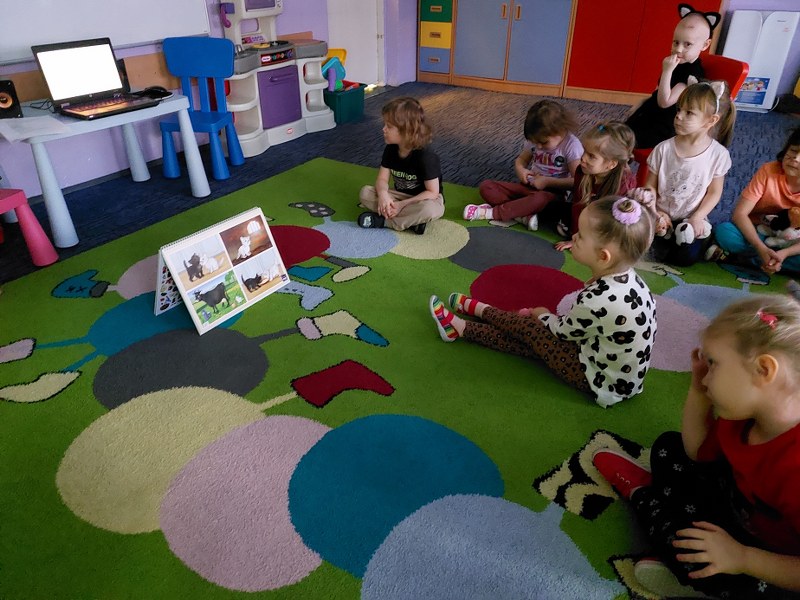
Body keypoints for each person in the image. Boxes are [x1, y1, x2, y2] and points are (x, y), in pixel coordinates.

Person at [593, 295, 800, 599]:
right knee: (668, 447)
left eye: (714, 364)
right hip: (741, 509)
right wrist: (699, 391)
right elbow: (697, 452)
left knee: (705, 564)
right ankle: (659, 511)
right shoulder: (745, 414)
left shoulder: (794, 467)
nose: (708, 374)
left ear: (764, 370)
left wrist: (742, 558)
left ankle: (644, 498)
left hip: (776, 561)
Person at [430, 194, 657, 408]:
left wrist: (542, 314)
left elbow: (562, 332)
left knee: (531, 330)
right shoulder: (632, 282)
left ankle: (473, 318)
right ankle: (467, 322)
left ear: (603, 256)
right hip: (621, 376)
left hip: (598, 378)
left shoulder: (598, 298)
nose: (574, 237)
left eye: (580, 236)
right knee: (533, 341)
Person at [645, 79, 735, 266]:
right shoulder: (663, 149)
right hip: (660, 216)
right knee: (648, 251)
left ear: (711, 120)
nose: (678, 116)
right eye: (679, 110)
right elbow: (650, 186)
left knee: (684, 259)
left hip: (691, 218)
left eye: (689, 113)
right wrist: (655, 212)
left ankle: (705, 240)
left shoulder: (718, 155)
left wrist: (697, 217)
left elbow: (714, 192)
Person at [463, 99, 582, 232]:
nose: (538, 146)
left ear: (560, 130)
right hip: (528, 187)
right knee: (487, 186)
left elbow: (577, 181)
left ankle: (493, 213)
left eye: (543, 142)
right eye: (535, 142)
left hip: (552, 194)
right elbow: (522, 160)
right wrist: (520, 169)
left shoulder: (571, 146)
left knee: (540, 199)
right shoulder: (537, 139)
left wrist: (547, 182)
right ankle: (521, 214)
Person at [626, 4, 720, 149]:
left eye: (687, 44)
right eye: (676, 42)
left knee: (621, 140)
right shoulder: (677, 63)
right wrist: (643, 102)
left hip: (664, 126)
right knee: (619, 131)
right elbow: (658, 91)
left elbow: (665, 102)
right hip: (651, 114)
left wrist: (667, 71)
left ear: (705, 45)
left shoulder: (692, 73)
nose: (678, 49)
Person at [708, 126, 800, 274]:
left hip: (791, 242)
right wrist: (760, 247)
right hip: (757, 232)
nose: (795, 158)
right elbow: (740, 214)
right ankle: (769, 261)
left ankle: (745, 259)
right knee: (724, 231)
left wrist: (785, 253)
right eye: (793, 151)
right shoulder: (768, 171)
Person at [357, 97, 444, 235]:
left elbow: (432, 192)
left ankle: (385, 222)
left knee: (430, 210)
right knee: (365, 193)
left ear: (406, 131)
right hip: (398, 196)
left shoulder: (426, 156)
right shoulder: (391, 149)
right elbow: (382, 180)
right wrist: (383, 195)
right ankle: (412, 222)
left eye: (389, 126)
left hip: (423, 199)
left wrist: (401, 205)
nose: (383, 129)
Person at [554, 121, 638, 251]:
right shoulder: (582, 171)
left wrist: (588, 241)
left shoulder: (625, 185)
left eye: (591, 156)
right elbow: (578, 206)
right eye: (584, 151)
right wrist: (577, 237)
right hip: (587, 218)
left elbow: (613, 224)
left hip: (610, 229)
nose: (583, 158)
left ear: (611, 164)